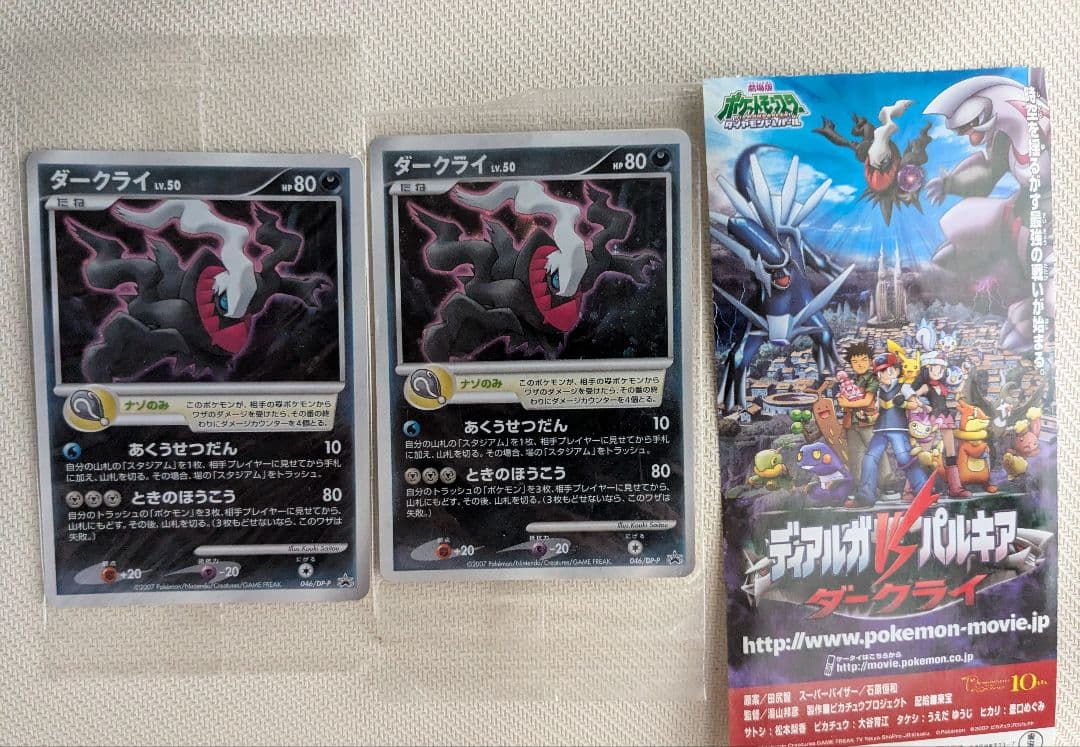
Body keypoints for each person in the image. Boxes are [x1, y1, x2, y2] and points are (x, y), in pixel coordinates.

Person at [852, 352, 929, 507]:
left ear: (896, 370)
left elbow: (915, 404)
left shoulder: (903, 387)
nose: (883, 375)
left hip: (898, 428)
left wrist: (903, 404)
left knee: (904, 458)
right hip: (881, 429)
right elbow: (878, 413)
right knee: (870, 458)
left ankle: (923, 490)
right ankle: (866, 495)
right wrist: (866, 418)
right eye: (879, 373)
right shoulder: (880, 390)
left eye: (886, 371)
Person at [836, 342, 894, 489]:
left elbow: (867, 400)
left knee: (876, 452)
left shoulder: (872, 378)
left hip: (868, 422)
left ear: (870, 361)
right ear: (850, 364)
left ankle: (887, 482)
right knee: (856, 456)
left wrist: (846, 403)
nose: (860, 364)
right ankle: (860, 487)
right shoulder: (852, 381)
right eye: (855, 361)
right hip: (852, 422)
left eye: (863, 360)